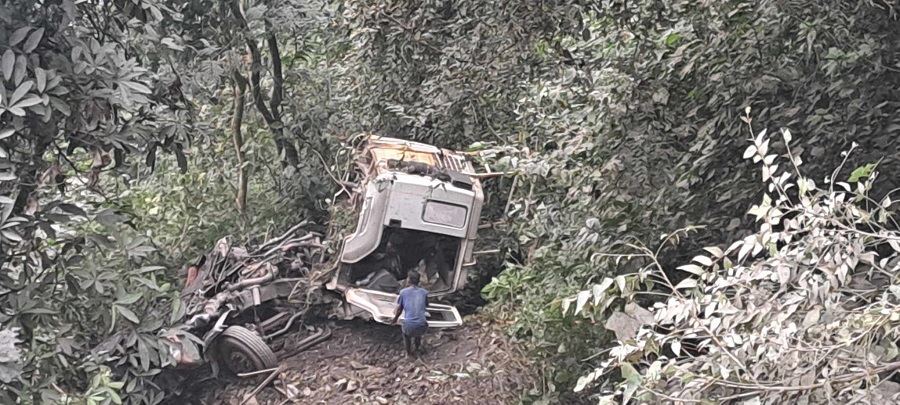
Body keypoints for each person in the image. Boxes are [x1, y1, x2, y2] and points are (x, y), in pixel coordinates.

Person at [392, 271, 429, 356]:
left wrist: (394, 320)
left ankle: (408, 352)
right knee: (418, 328)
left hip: (409, 326)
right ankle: (417, 347)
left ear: (408, 280)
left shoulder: (403, 292)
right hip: (422, 325)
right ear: (419, 281)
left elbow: (399, 309)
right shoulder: (424, 292)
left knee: (406, 335)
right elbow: (426, 305)